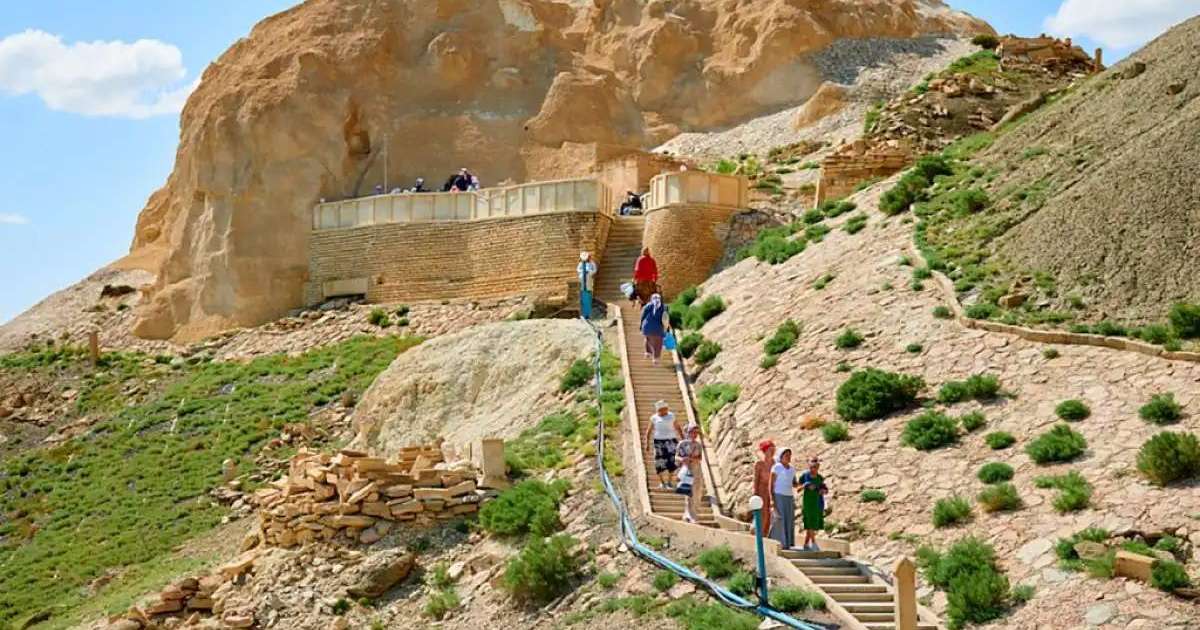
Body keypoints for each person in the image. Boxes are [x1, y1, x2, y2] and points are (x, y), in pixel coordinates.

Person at [644, 400, 682, 490]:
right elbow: (648, 431)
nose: (664, 411)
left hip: (671, 441)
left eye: (665, 409)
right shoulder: (654, 418)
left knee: (672, 461)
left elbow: (677, 427)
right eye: (661, 410)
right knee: (659, 462)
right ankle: (662, 483)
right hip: (659, 442)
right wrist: (647, 444)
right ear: (658, 410)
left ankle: (669, 482)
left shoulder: (671, 416)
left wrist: (682, 438)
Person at [675, 424, 704, 523]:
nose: (695, 434)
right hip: (687, 469)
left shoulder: (698, 445)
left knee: (696, 492)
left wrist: (691, 459)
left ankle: (690, 514)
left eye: (696, 432)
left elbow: (700, 458)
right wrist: (683, 459)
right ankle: (690, 515)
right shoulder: (682, 444)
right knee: (688, 492)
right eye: (693, 432)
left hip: (696, 469)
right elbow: (676, 457)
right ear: (689, 432)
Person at [770, 447, 798, 549]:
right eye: (786, 455)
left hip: (789, 497)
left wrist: (804, 484)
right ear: (781, 457)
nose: (788, 457)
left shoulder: (792, 469)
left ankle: (788, 543)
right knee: (779, 519)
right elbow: (771, 484)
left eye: (790, 455)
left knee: (789, 519)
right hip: (779, 496)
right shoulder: (776, 467)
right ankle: (779, 542)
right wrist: (772, 500)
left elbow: (794, 483)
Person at [798, 458, 828, 551]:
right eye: (811, 467)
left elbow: (825, 490)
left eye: (815, 467)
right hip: (808, 503)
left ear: (818, 467)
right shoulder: (805, 476)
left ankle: (806, 544)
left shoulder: (820, 478)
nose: (812, 469)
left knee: (812, 524)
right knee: (809, 522)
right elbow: (798, 488)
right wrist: (805, 485)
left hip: (817, 503)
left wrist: (823, 491)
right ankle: (814, 543)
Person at [752, 440, 776, 538]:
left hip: (771, 491)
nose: (773, 451)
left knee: (769, 514)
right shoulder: (759, 464)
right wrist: (755, 493)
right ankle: (758, 534)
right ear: (765, 451)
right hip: (761, 491)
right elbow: (756, 480)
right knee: (762, 513)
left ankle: (765, 535)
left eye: (773, 449)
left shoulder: (775, 463)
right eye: (771, 449)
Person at [640, 293, 668, 365]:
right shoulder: (664, 307)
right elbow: (665, 318)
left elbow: (643, 316)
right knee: (658, 343)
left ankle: (648, 352)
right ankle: (656, 359)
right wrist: (666, 328)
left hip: (647, 327)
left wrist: (641, 326)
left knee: (647, 338)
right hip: (658, 328)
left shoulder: (648, 306)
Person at [577, 252, 597, 319]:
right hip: (582, 281)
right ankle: (584, 314)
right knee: (583, 298)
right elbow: (578, 270)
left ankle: (588, 314)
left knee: (588, 297)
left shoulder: (592, 263)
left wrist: (590, 272)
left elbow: (594, 270)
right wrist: (583, 271)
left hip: (589, 281)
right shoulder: (580, 264)